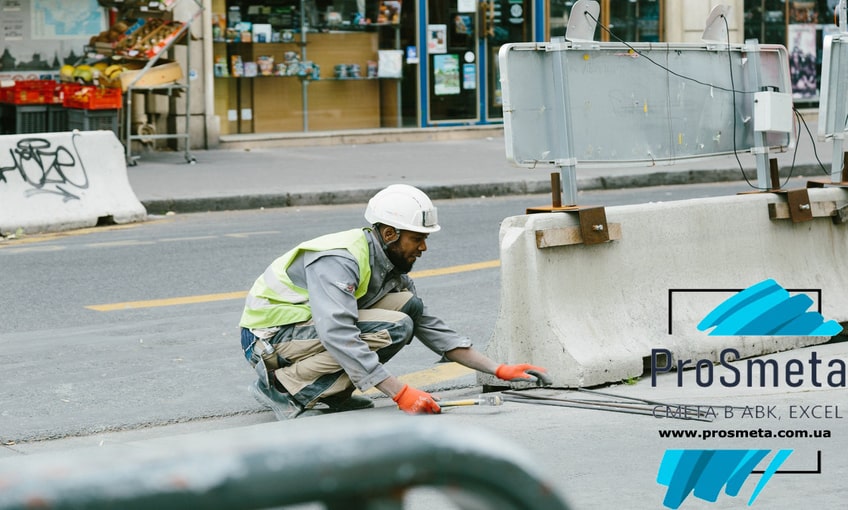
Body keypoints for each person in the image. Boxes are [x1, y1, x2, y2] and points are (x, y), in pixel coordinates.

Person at [239, 184, 549, 419]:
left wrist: (497, 369)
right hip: (269, 339)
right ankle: (283, 389)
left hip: (301, 333)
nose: (424, 247)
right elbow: (337, 333)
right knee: (396, 326)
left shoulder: (387, 263)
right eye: (417, 238)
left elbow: (428, 325)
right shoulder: (340, 260)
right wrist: (399, 392)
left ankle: (332, 394)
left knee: (409, 308)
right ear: (389, 233)